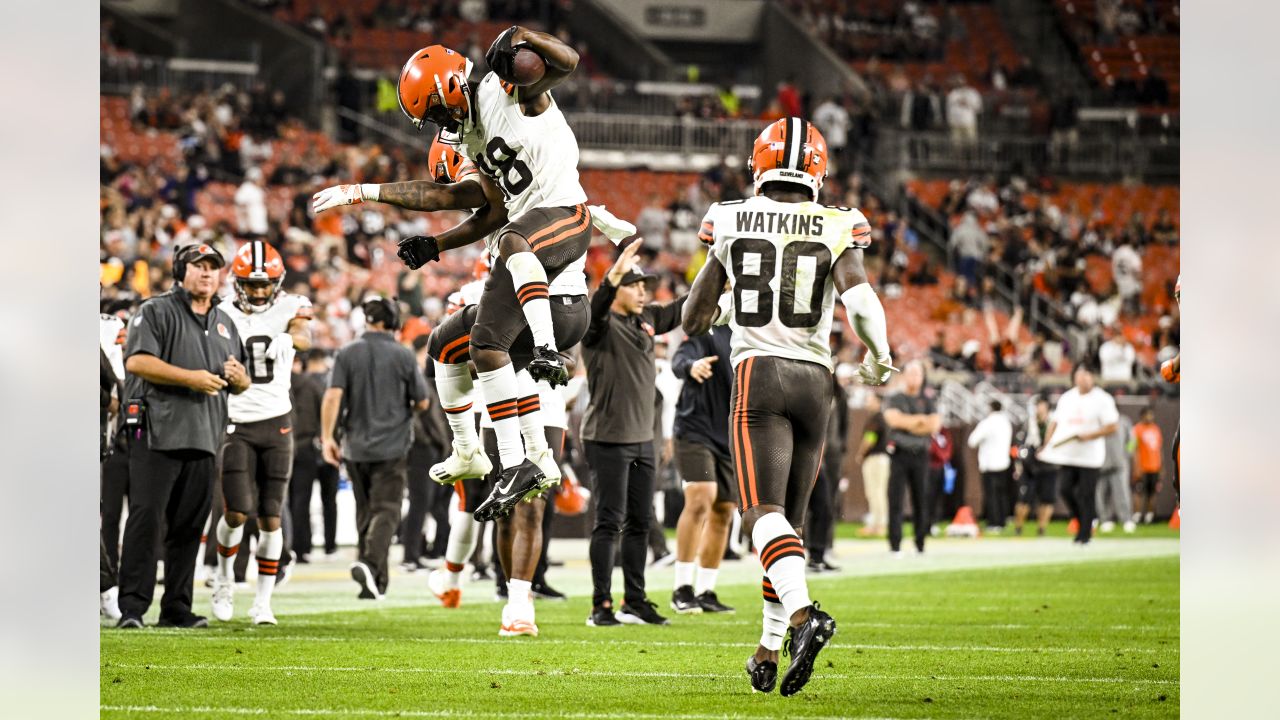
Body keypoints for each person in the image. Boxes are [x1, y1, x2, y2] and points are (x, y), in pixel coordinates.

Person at [315, 27, 594, 514]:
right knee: (470, 344)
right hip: (527, 244)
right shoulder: (471, 132)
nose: (438, 123)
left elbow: (567, 61)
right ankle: (511, 461)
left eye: (436, 111)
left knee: (512, 243)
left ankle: (549, 358)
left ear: (449, 89)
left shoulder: (504, 89)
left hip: (565, 217)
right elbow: (470, 202)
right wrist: (420, 231)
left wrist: (525, 36)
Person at [683, 117, 895, 696]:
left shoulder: (728, 217)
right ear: (818, 169)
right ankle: (768, 648)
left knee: (758, 515)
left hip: (760, 374)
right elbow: (862, 301)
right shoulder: (839, 221)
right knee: (788, 530)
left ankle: (805, 619)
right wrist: (880, 355)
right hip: (816, 379)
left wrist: (725, 303)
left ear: (759, 164)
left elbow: (692, 320)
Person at [116, 244, 251, 629]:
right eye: (199, 266)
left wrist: (241, 381)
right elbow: (137, 361)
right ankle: (132, 608)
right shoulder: (156, 310)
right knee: (146, 520)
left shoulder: (225, 321)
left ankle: (176, 607)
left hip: (206, 436)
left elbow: (239, 379)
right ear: (181, 271)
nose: (208, 273)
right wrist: (189, 378)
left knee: (189, 528)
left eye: (214, 267)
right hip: (158, 432)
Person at [581, 241, 686, 628]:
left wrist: (721, 268)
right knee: (609, 522)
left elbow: (681, 310)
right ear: (615, 289)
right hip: (607, 437)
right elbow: (592, 313)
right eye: (634, 284)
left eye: (644, 285)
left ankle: (635, 600)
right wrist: (609, 279)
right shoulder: (599, 325)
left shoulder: (645, 321)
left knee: (640, 523)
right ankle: (600, 605)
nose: (643, 291)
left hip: (644, 438)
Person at [209, 240, 312, 626]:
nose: (257, 291)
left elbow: (305, 335)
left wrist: (289, 337)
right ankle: (223, 579)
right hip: (235, 420)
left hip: (277, 421)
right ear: (237, 284)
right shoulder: (219, 311)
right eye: (250, 285)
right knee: (236, 512)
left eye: (264, 284)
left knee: (271, 518)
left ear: (277, 282)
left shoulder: (291, 306)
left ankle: (263, 602)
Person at [321, 297, 429, 599]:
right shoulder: (403, 355)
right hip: (392, 446)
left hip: (354, 445)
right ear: (392, 321)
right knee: (387, 510)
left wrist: (328, 437)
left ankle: (374, 583)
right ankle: (369, 564)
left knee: (365, 511)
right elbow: (422, 401)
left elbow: (332, 397)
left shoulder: (346, 353)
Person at [669, 322, 737, 615]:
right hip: (695, 428)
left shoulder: (751, 335)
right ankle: (682, 588)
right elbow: (680, 358)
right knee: (701, 496)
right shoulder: (707, 330)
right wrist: (691, 366)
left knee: (724, 509)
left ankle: (706, 590)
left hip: (730, 432)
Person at [1038, 362, 1119, 545]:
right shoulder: (1067, 398)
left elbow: (1113, 426)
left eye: (1087, 375)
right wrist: (1047, 444)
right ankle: (1083, 521)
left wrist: (1090, 435)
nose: (1083, 379)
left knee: (1086, 493)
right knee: (1065, 490)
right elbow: (1055, 422)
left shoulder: (1103, 399)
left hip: (1090, 456)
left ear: (1093, 377)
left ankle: (1085, 534)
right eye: (1080, 375)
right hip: (1068, 454)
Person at [883, 361, 941, 556]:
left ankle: (920, 542)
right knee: (895, 500)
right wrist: (919, 420)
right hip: (899, 454)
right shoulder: (895, 398)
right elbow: (893, 420)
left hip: (921, 456)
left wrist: (907, 422)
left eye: (917, 374)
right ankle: (895, 544)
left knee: (921, 499)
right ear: (904, 376)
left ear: (923, 377)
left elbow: (933, 425)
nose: (914, 378)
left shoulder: (928, 400)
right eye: (911, 373)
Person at [1013, 396, 1057, 537]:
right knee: (1024, 498)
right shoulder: (1028, 423)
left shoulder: (1054, 422)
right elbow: (1020, 445)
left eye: (1041, 405)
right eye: (1037, 406)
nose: (1039, 409)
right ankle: (1018, 527)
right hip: (1030, 464)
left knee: (1047, 498)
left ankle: (1042, 528)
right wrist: (1019, 465)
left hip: (1049, 464)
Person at [968, 400, 1013, 533]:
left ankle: (994, 523)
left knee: (991, 495)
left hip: (990, 464)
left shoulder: (987, 423)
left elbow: (972, 441)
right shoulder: (1007, 423)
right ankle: (1002, 521)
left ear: (990, 408)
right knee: (1002, 494)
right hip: (1004, 463)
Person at [854, 394, 890, 538]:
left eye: (870, 399)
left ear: (878, 402)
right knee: (877, 492)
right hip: (881, 459)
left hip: (875, 459)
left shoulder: (876, 419)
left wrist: (861, 453)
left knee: (876, 492)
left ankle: (878, 525)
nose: (868, 402)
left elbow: (869, 439)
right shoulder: (880, 418)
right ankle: (877, 524)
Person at [1097, 411, 1135, 533]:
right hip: (1100, 464)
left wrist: (1126, 455)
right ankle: (1105, 520)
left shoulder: (1124, 421)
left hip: (1119, 465)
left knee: (1122, 493)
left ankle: (1127, 520)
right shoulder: (1098, 422)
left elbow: (1132, 441)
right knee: (1101, 494)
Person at [1132, 407, 1164, 524]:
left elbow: (1159, 449)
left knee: (1152, 492)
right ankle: (1137, 516)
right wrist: (1136, 466)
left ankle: (1149, 517)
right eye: (1148, 415)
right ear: (1142, 416)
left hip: (1154, 467)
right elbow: (1131, 449)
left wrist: (1161, 466)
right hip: (1142, 467)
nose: (1150, 417)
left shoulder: (1156, 429)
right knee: (1138, 492)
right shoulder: (1136, 429)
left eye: (1152, 415)